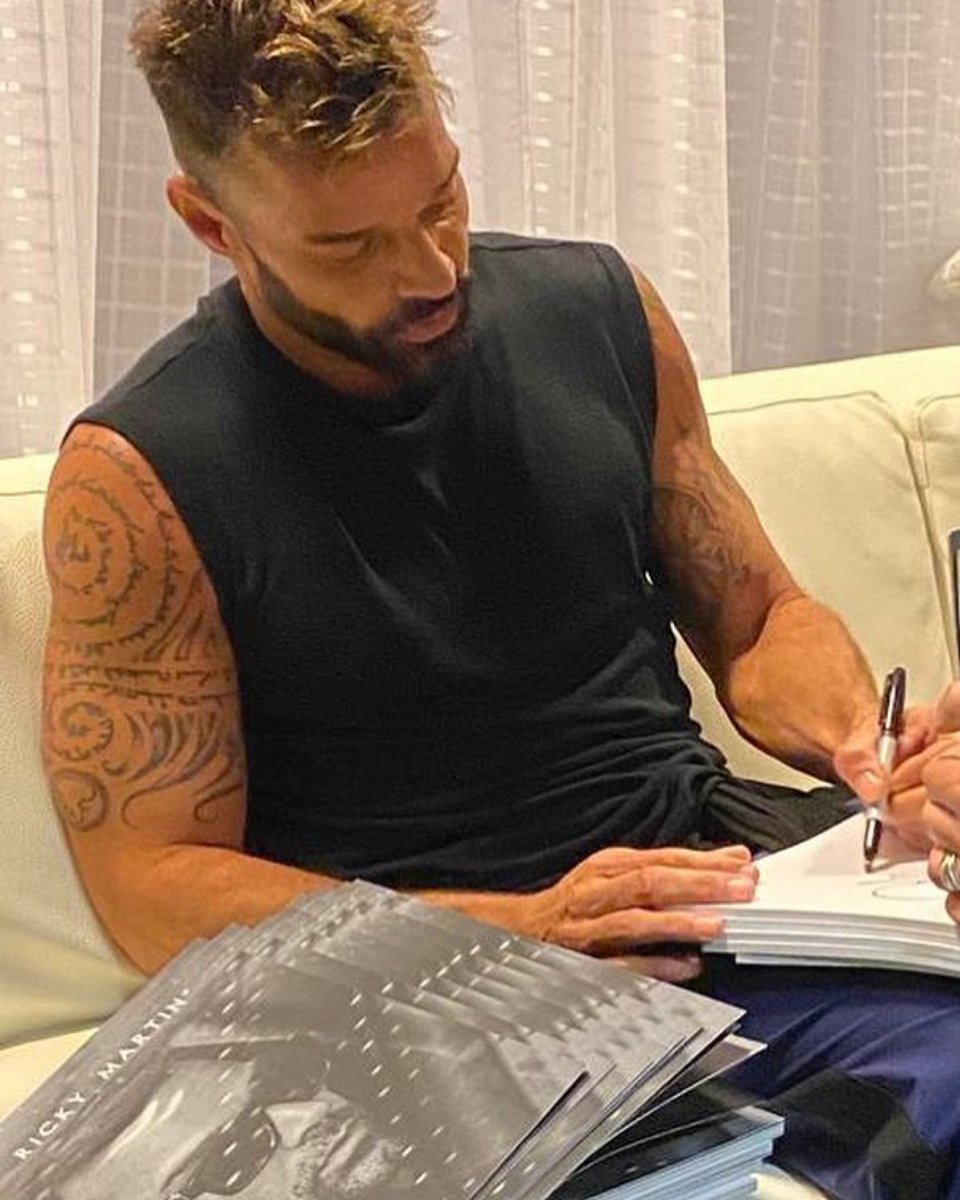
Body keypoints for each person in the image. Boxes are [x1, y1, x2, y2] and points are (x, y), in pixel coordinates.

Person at [36, 2, 960, 1196]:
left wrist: (863, 748)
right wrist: (525, 927)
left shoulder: (600, 310)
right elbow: (150, 881)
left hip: (710, 882)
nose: (431, 271)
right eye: (349, 247)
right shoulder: (142, 471)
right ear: (212, 224)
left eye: (441, 201)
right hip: (428, 975)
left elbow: (758, 615)